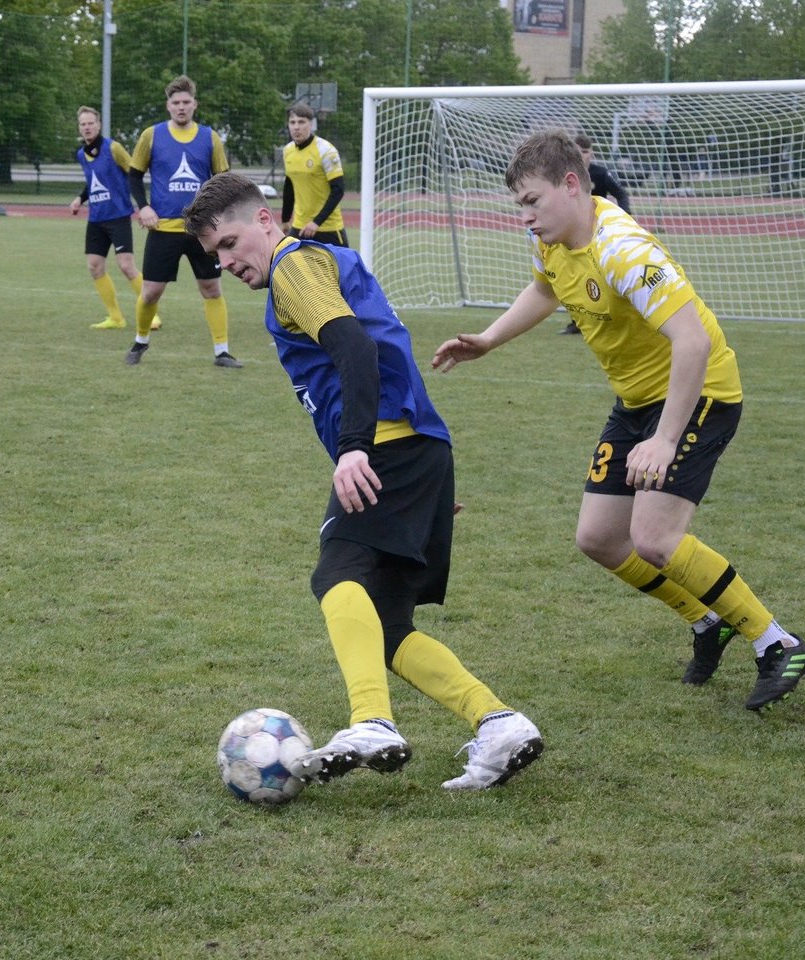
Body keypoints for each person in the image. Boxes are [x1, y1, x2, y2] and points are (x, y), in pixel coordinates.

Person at [431, 130, 805, 712]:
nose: (525, 216)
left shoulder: (624, 249)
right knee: (600, 539)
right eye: (520, 205)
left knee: (655, 539)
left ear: (571, 185)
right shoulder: (552, 242)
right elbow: (544, 290)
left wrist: (665, 439)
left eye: (532, 202)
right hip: (635, 401)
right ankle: (708, 620)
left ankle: (777, 643)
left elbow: (692, 342)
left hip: (700, 392)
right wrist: (487, 339)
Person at [185, 172, 544, 791]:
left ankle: (372, 721)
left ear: (266, 221)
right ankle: (498, 722)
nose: (226, 262)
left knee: (336, 574)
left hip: (384, 445)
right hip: (416, 448)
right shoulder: (317, 264)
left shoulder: (294, 268)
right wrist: (423, 484)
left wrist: (354, 448)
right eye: (215, 253)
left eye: (229, 243)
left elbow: (355, 347)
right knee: (388, 626)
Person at [125, 75, 240, 368]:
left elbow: (223, 180)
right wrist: (144, 207)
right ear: (168, 105)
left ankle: (222, 352)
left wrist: (220, 218)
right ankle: (140, 341)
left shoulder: (210, 138)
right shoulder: (151, 135)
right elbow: (134, 175)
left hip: (202, 230)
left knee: (211, 288)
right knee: (151, 292)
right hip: (163, 229)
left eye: (186, 102)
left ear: (194, 104)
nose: (181, 107)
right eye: (176, 102)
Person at [70, 106, 158, 332]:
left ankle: (152, 314)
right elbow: (93, 182)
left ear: (98, 125)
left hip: (118, 216)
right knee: (94, 266)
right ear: (79, 128)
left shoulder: (113, 148)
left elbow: (134, 173)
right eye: (83, 124)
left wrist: (142, 206)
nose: (87, 127)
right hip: (96, 219)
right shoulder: (81, 155)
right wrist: (80, 198)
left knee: (126, 266)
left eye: (90, 123)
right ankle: (116, 317)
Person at [563, 134, 632, 334]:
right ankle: (577, 321)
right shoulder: (562, 176)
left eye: (585, 152)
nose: (582, 155)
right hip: (573, 232)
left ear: (591, 154)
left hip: (598, 233)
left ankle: (611, 317)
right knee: (574, 275)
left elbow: (621, 194)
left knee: (600, 275)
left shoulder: (600, 173)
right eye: (578, 151)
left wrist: (624, 216)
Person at [280, 103, 348, 247]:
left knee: (344, 263)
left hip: (328, 229)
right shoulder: (287, 151)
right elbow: (289, 187)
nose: (296, 127)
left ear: (311, 124)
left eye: (301, 122)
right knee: (285, 260)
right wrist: (285, 219)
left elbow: (338, 190)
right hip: (299, 227)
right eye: (292, 122)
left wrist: (316, 222)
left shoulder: (326, 151)